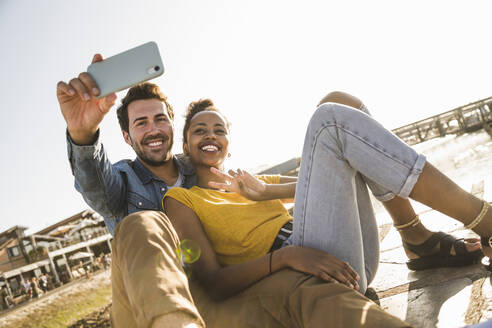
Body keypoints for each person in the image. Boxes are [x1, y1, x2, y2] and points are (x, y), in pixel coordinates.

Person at [57, 54, 196, 236]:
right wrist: (82, 133)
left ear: (172, 125)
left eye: (160, 119)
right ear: (127, 137)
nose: (153, 130)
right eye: (141, 123)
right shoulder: (122, 181)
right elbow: (94, 183)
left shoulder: (196, 167)